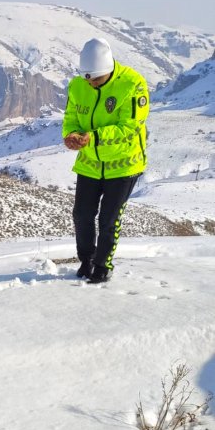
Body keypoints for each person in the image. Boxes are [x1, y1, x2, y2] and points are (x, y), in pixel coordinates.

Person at [63, 38, 149, 283]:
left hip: (123, 165)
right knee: (82, 214)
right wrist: (70, 135)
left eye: (96, 80)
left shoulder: (133, 85)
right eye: (87, 79)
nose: (90, 84)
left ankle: (103, 264)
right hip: (90, 163)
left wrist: (94, 137)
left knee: (109, 218)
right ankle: (86, 260)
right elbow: (71, 117)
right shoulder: (78, 85)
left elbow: (130, 128)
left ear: (108, 71)